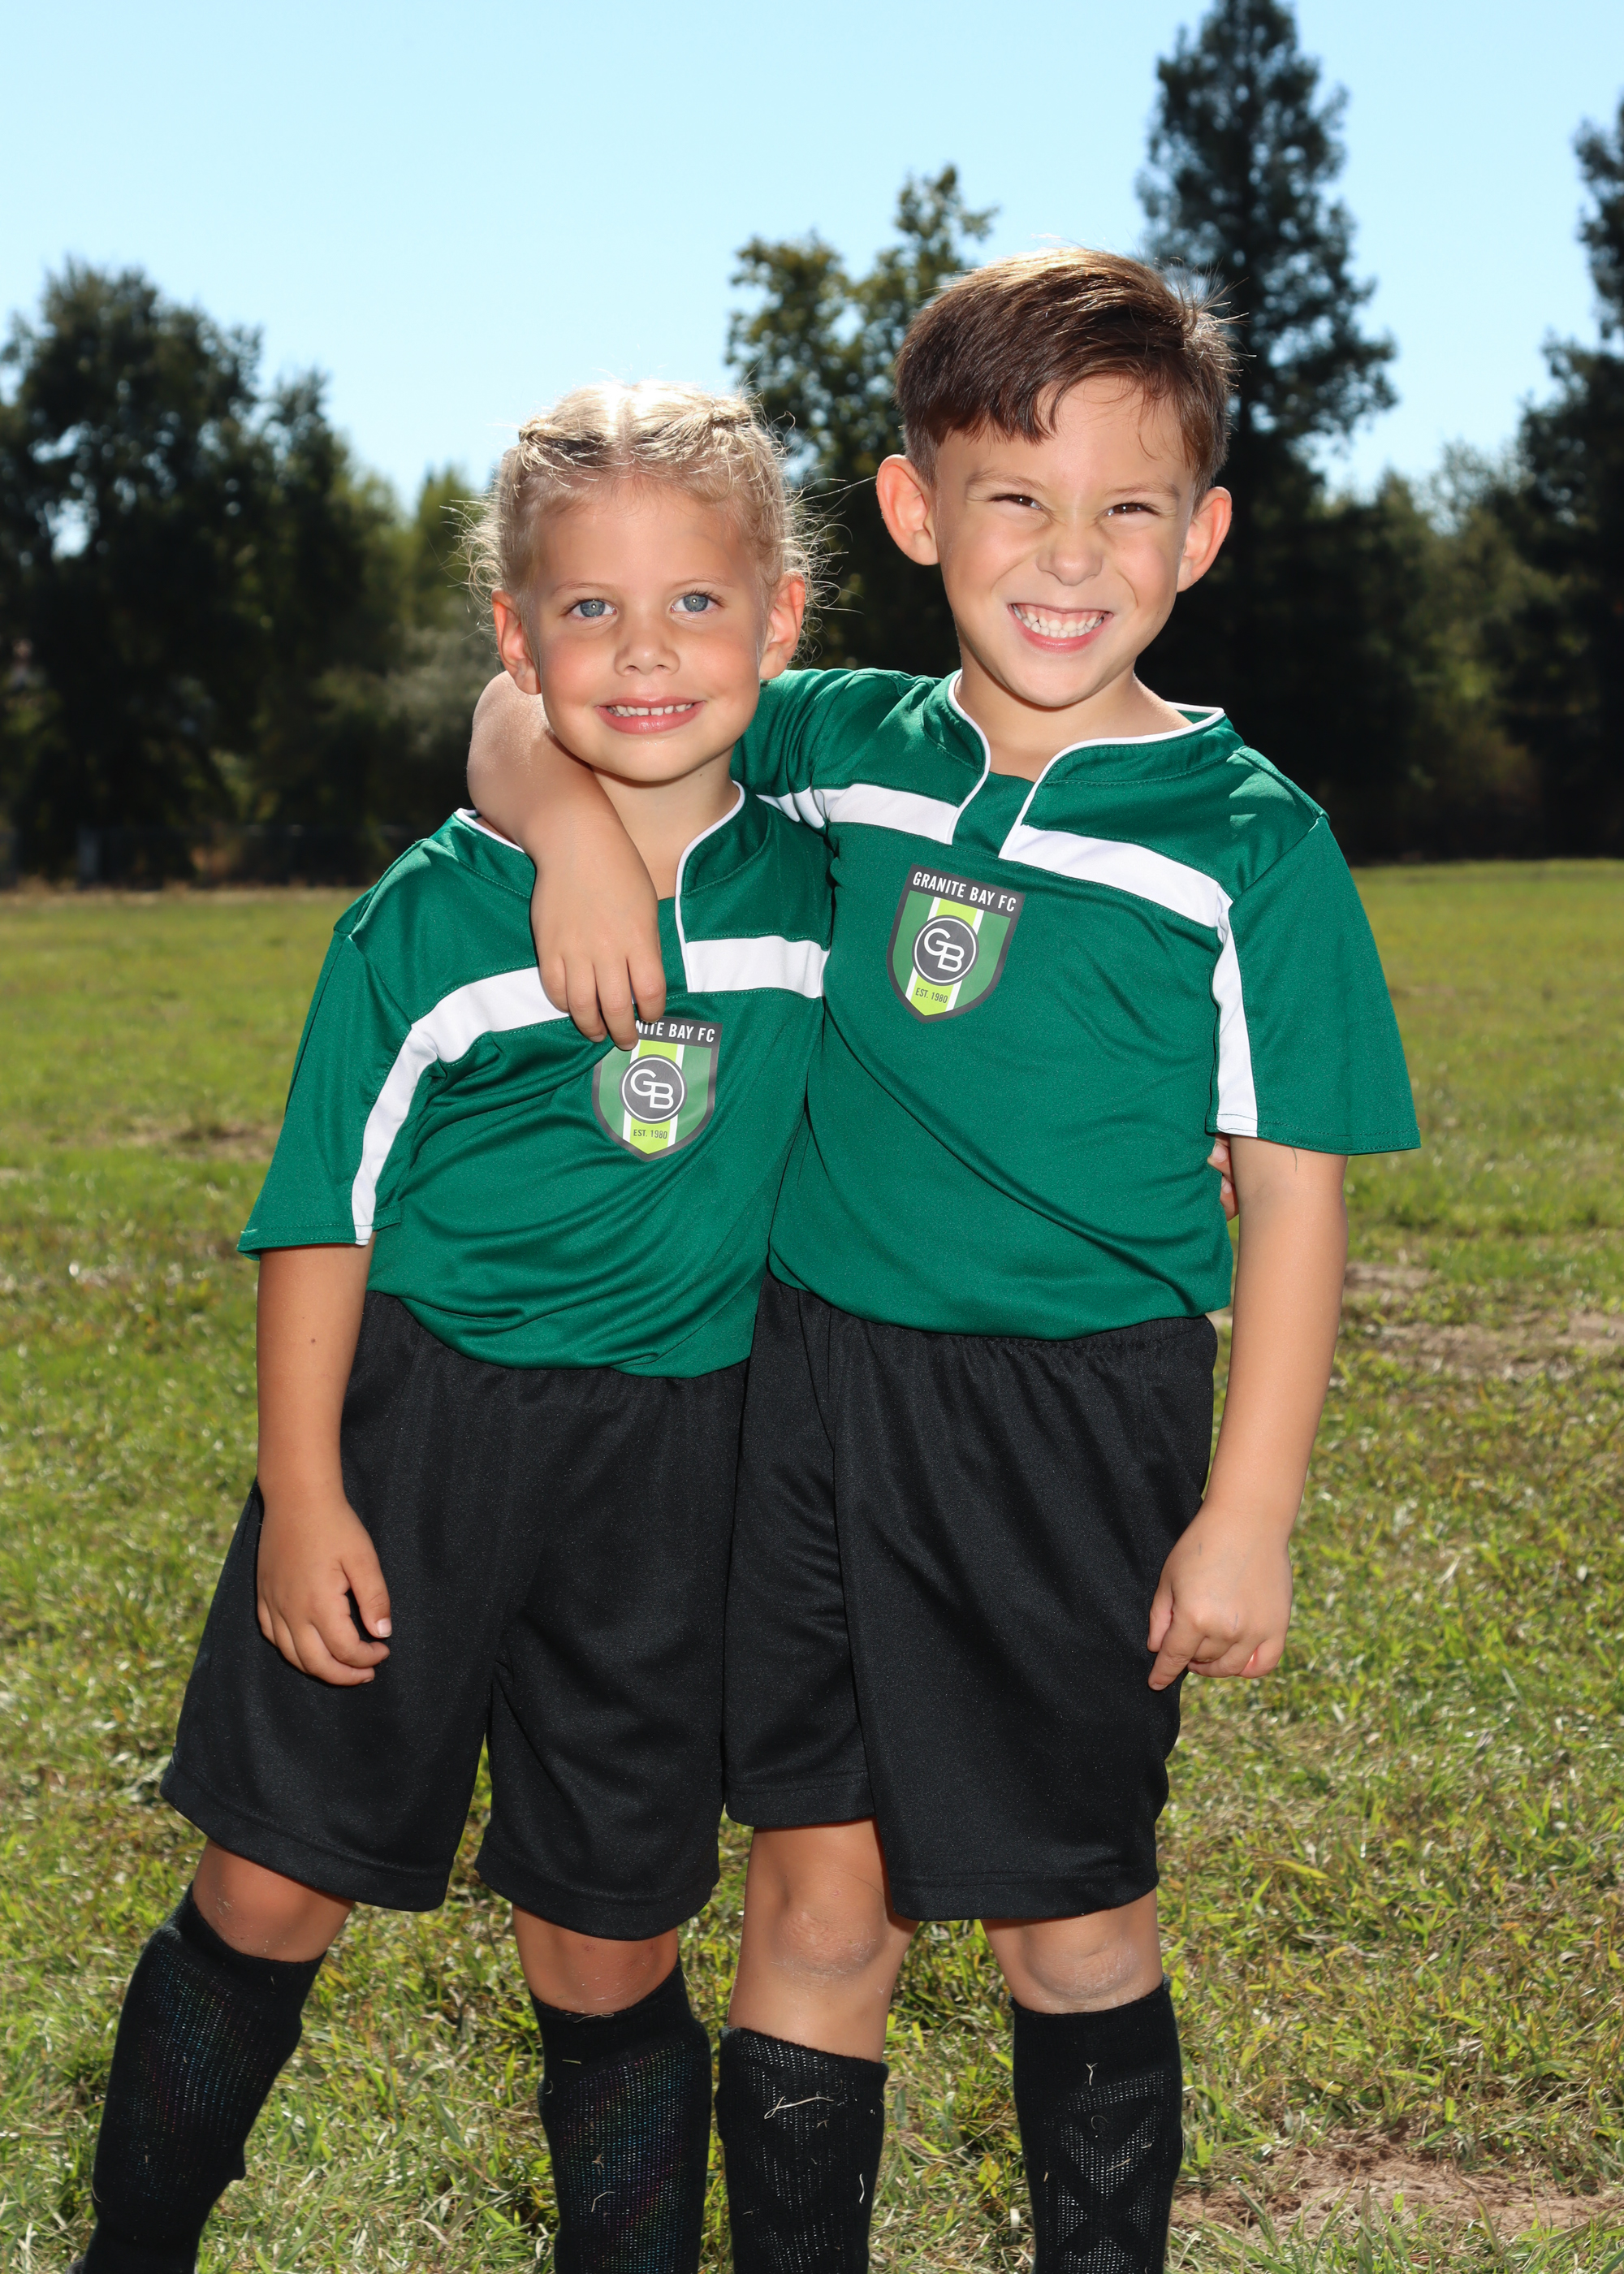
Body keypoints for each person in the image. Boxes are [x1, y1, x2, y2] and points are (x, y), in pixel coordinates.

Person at [467, 249, 1420, 2273]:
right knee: (815, 1907)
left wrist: (1247, 1511)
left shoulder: (1246, 839)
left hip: (1074, 1419)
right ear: (914, 512)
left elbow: (1294, 1197)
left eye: (1126, 506)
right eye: (1014, 498)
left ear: (1201, 533)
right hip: (811, 1392)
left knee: (1069, 1920)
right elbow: (527, 700)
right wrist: (567, 826)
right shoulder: (841, 739)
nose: (1068, 557)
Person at [74, 382, 833, 2274]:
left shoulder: (823, 873)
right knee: (270, 1887)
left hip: (676, 1459)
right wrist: (305, 1491)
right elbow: (319, 1213)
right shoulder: (427, 919)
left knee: (612, 1934)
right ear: (515, 633)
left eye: (694, 603)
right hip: (419, 1436)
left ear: (782, 618)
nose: (643, 652)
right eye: (588, 609)